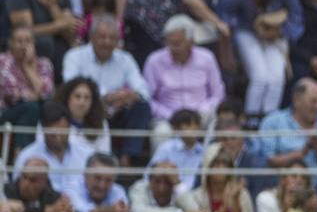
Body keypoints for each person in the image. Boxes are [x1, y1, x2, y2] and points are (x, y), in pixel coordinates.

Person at [61, 14, 152, 163]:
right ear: (92, 37)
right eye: (102, 37)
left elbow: (143, 90)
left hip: (117, 112)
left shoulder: (125, 58)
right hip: (88, 112)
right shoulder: (74, 56)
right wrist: (106, 97)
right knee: (80, 100)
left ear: (118, 40)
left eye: (112, 38)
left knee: (142, 107)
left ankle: (127, 158)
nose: (107, 42)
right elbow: (71, 85)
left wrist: (131, 96)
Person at [218, 0, 304, 118]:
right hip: (246, 29)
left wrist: (279, 31)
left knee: (277, 78)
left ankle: (269, 120)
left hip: (276, 32)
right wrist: (229, 47)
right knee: (260, 77)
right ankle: (251, 119)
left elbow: (296, 19)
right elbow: (224, 14)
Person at [142, 15, 225, 131]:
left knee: (217, 125)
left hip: (201, 115)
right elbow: (146, 97)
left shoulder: (207, 58)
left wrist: (200, 112)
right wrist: (170, 115)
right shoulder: (154, 61)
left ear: (191, 41)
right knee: (161, 132)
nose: (172, 48)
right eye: (169, 43)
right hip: (167, 118)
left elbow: (218, 94)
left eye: (177, 44)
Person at [253, 79, 317, 181]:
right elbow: (267, 161)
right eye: (313, 101)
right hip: (282, 189)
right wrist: (302, 152)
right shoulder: (272, 122)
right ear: (296, 100)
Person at [13, 101, 93, 196]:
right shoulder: (27, 155)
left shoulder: (86, 155)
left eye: (62, 131)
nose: (58, 136)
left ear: (69, 128)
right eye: (53, 133)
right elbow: (18, 190)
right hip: (43, 208)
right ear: (43, 129)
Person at [6, 0, 79, 71]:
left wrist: (53, 5)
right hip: (33, 58)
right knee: (45, 42)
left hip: (61, 58)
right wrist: (61, 25)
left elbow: (71, 36)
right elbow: (25, 32)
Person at [0, 26, 55, 140]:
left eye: (28, 41)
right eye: (19, 41)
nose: (24, 45)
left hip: (32, 110)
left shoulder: (44, 63)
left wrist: (27, 67)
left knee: (45, 106)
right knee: (31, 107)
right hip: (6, 112)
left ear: (34, 44)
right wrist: (37, 95)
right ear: (11, 44)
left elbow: (47, 92)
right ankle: (21, 153)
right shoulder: (3, 61)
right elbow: (12, 94)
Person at [177, 143, 254, 212]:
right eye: (216, 164)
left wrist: (235, 200)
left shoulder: (242, 195)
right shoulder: (197, 197)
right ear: (207, 167)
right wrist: (223, 208)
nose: (221, 169)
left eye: (225, 164)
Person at [146, 108, 206, 190]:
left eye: (197, 124)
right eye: (188, 125)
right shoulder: (166, 148)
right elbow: (148, 176)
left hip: (195, 197)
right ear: (177, 128)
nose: (194, 128)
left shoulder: (205, 151)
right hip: (168, 194)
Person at [3, 157, 75, 212]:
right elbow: (20, 209)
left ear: (44, 182)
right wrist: (45, 211)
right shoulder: (6, 191)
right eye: (24, 177)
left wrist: (66, 211)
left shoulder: (50, 195)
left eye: (33, 180)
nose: (26, 184)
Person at [131, 161, 196, 212]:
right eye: (157, 181)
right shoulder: (141, 187)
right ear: (150, 182)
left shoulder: (177, 189)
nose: (162, 188)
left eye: (168, 182)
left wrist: (178, 184)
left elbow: (196, 211)